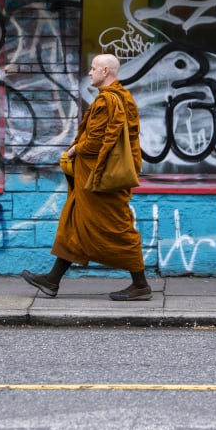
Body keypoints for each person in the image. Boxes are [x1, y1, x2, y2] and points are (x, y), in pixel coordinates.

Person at [21, 53, 151, 301]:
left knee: (119, 228)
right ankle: (52, 280)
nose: (89, 73)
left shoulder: (107, 102)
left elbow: (95, 142)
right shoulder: (124, 98)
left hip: (99, 180)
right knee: (76, 225)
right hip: (95, 180)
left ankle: (141, 285)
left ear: (105, 72)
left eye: (93, 69)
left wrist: (73, 150)